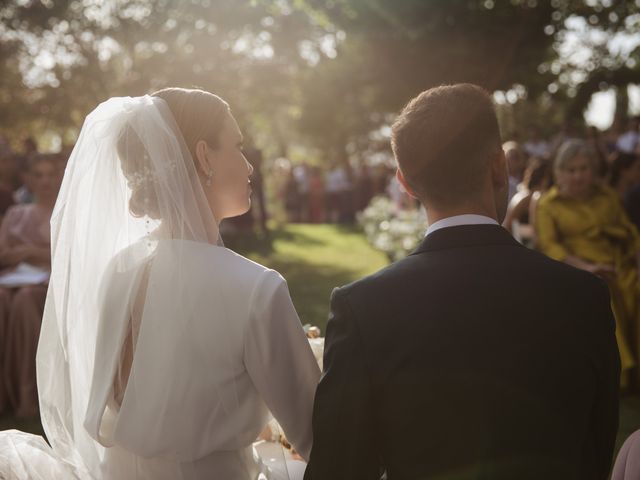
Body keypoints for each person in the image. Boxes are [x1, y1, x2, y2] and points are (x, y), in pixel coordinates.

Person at [0, 89, 320, 480]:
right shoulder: (256, 287)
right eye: (237, 146)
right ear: (204, 157)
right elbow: (319, 435)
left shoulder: (119, 269)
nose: (249, 165)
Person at [305, 84, 620, 480]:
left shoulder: (363, 308)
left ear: (406, 184)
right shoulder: (584, 296)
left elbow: (341, 469)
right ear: (499, 166)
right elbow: (596, 450)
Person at [536, 140, 640, 388]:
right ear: (559, 172)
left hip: (620, 264)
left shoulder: (607, 196)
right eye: (571, 170)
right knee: (603, 293)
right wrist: (587, 267)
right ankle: (620, 376)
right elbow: (551, 247)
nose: (578, 175)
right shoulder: (549, 205)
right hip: (578, 270)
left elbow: (630, 233)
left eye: (584, 168)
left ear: (592, 170)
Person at [0, 154, 61, 418]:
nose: (45, 180)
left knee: (25, 299)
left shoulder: (65, 213)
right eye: (39, 174)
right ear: (29, 180)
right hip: (12, 280)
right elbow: (4, 255)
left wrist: (27, 251)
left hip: (47, 283)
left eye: (50, 174)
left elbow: (65, 255)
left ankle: (28, 394)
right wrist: (32, 253)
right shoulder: (15, 213)